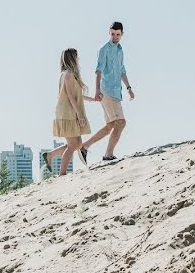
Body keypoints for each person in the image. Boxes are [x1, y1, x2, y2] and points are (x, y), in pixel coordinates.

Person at [80, 21, 134, 164]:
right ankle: (108, 155)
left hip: (116, 91)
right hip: (107, 91)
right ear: (109, 33)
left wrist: (129, 88)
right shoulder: (104, 49)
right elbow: (98, 71)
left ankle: (85, 147)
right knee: (121, 122)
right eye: (113, 34)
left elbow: (122, 71)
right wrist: (97, 90)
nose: (115, 37)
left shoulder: (120, 50)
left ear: (122, 34)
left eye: (118, 34)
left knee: (111, 125)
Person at [42, 48, 96, 176]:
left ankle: (50, 155)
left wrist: (93, 99)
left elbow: (76, 95)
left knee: (77, 144)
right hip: (67, 113)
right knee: (73, 145)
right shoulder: (68, 74)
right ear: (72, 58)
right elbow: (71, 96)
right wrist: (80, 114)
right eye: (76, 57)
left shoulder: (67, 74)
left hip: (68, 111)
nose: (78, 59)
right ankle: (62, 173)